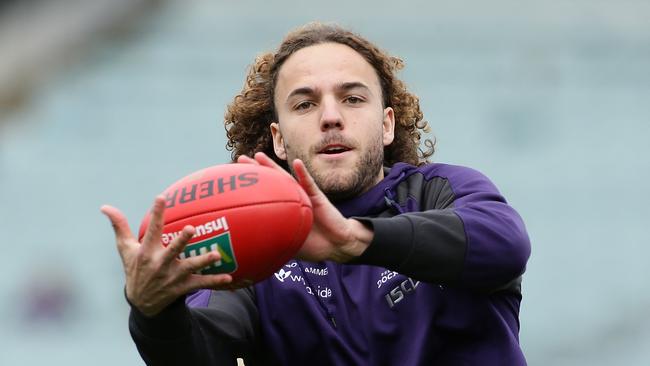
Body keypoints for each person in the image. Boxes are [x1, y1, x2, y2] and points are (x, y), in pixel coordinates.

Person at [101, 22, 531, 365]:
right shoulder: (254, 241)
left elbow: (506, 245)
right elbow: (209, 348)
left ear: (386, 125)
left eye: (352, 99)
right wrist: (154, 313)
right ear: (279, 140)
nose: (330, 117)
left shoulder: (441, 191)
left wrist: (355, 240)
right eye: (304, 104)